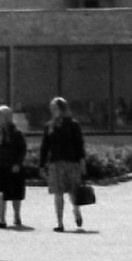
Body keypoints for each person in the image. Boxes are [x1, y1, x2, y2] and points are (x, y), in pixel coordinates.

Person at [38, 96, 87, 232]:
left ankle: (76, 210)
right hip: (55, 163)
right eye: (51, 108)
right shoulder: (49, 126)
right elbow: (45, 146)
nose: (52, 110)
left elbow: (79, 144)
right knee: (58, 193)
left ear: (62, 109)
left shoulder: (73, 124)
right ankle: (60, 223)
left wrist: (82, 161)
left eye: (55, 108)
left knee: (72, 191)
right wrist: (42, 165)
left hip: (72, 162)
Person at [0, 104, 28, 228]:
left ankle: (17, 215)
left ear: (7, 117)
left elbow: (22, 150)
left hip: (14, 168)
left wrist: (18, 163)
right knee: (0, 193)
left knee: (16, 194)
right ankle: (2, 220)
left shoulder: (16, 133)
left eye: (0, 115)